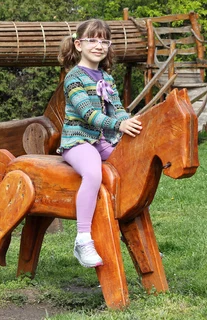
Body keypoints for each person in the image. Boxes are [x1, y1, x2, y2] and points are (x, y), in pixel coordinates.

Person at [57, 19, 142, 268]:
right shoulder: (74, 78)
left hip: (102, 140)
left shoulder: (107, 78)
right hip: (78, 141)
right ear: (79, 44)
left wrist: (132, 122)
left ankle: (133, 237)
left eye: (104, 41)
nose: (99, 45)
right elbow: (88, 114)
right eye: (93, 40)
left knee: (130, 167)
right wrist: (119, 125)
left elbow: (118, 110)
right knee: (93, 172)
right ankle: (82, 239)